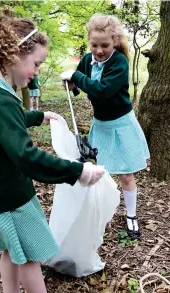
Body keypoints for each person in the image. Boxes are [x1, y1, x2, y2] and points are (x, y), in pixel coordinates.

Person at [0, 12, 104, 293]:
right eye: (36, 64)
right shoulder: (0, 100)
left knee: (8, 249)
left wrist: (37, 116)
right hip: (7, 195)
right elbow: (26, 156)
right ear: (14, 54)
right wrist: (77, 171)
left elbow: (7, 122)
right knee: (28, 253)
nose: (35, 72)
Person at [61, 14, 150, 240]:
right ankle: (101, 211)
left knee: (126, 174)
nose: (99, 50)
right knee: (101, 173)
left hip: (121, 125)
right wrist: (71, 83)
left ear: (115, 42)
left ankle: (131, 215)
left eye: (105, 45)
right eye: (94, 45)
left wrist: (77, 77)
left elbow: (101, 90)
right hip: (100, 125)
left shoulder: (119, 62)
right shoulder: (88, 59)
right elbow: (78, 82)